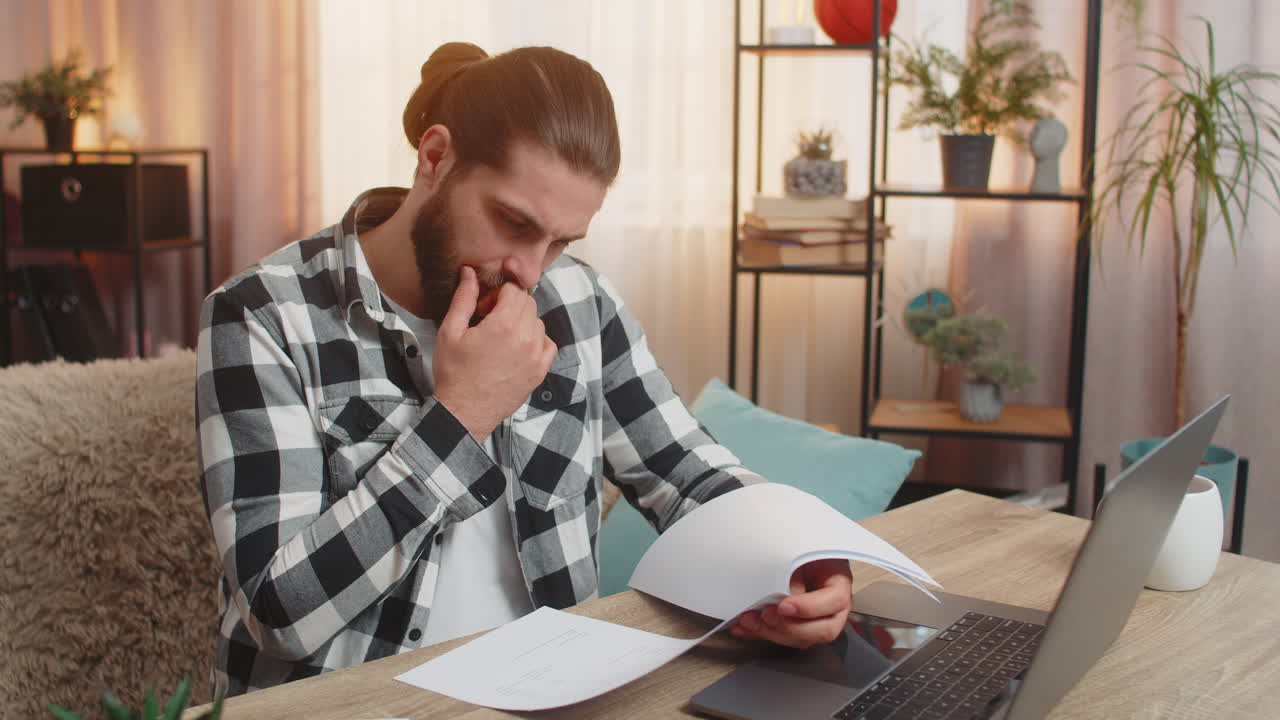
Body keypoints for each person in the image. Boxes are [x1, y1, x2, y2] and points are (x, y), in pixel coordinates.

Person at [196, 41, 852, 697]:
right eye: (513, 222)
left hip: (553, 696)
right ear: (434, 157)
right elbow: (278, 615)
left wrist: (793, 556)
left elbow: (685, 468)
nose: (531, 271)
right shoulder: (263, 317)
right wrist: (460, 417)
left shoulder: (580, 302)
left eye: (561, 241)